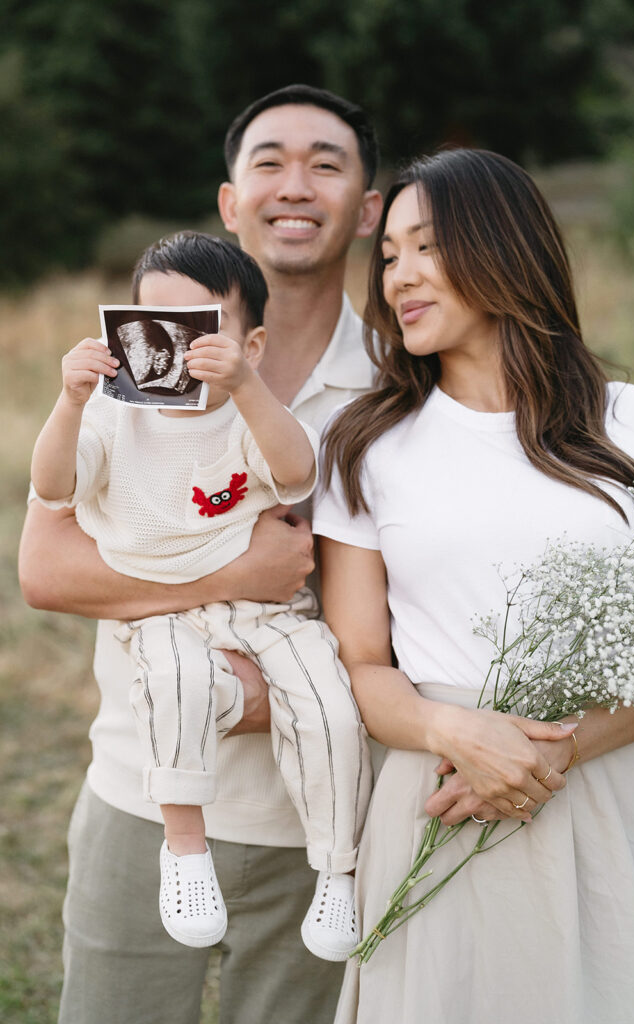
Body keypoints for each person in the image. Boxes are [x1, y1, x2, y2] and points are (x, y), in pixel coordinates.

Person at [19, 85, 382, 1024]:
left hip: (322, 804)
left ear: (368, 208)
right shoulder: (129, 377)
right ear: (230, 200)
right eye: (268, 160)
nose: (294, 185)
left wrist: (258, 688)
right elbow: (47, 572)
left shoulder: (397, 378)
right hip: (144, 791)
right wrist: (237, 575)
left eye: (327, 163)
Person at [314, 148, 634, 1024]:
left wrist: (553, 752)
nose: (397, 274)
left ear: (502, 246)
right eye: (388, 255)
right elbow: (362, 667)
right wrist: (460, 733)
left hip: (601, 790)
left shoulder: (630, 421)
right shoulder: (364, 445)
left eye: (424, 247)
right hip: (439, 792)